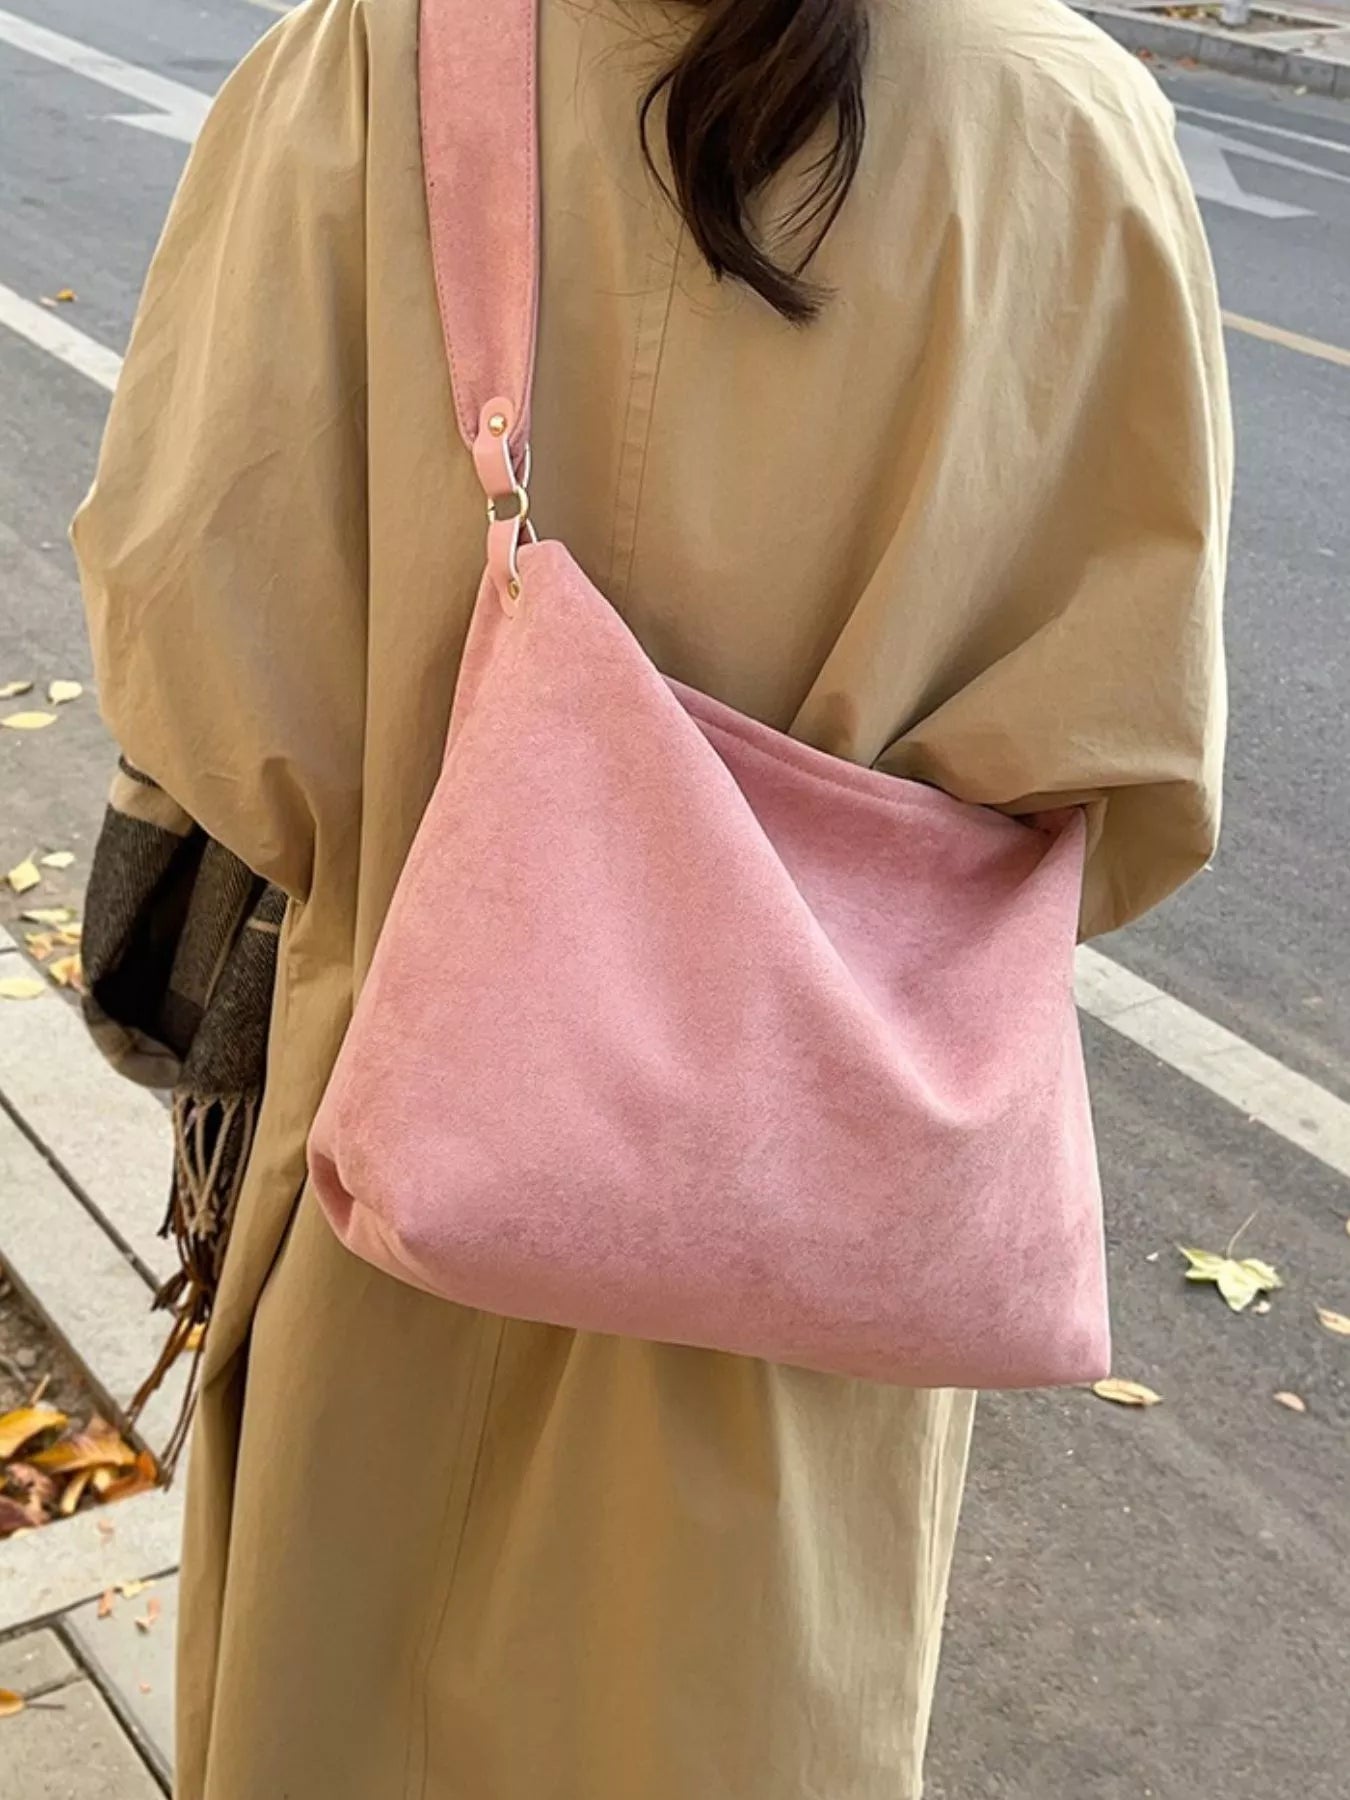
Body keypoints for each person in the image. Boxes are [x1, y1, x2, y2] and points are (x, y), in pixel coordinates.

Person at [71, 0, 1230, 1794]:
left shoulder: (381, 58)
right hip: (813, 1285)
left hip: (396, 1192)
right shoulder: (1075, 124)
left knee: (352, 1698)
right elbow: (1123, 775)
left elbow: (215, 684)